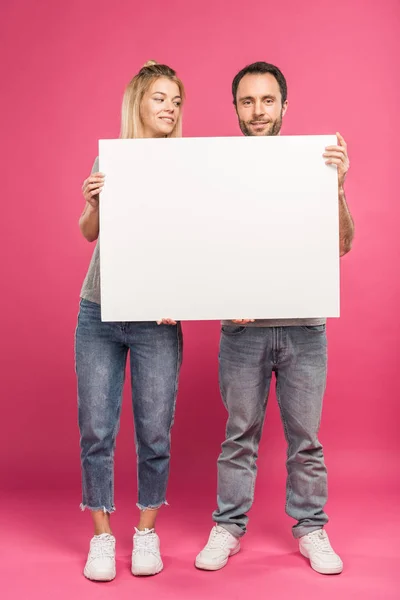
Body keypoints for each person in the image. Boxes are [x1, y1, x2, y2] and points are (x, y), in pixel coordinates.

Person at [195, 61, 354, 575]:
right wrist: (222, 293)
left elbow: (342, 245)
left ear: (285, 106)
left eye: (267, 100)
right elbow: (205, 246)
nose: (257, 111)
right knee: (239, 432)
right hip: (242, 330)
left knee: (305, 438)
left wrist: (337, 186)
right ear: (236, 108)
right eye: (247, 101)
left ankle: (311, 528)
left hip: (305, 326)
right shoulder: (219, 169)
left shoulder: (316, 164)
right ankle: (228, 526)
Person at [76, 61, 185, 581]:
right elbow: (88, 232)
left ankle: (146, 530)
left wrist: (181, 293)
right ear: (138, 102)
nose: (169, 108)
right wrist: (93, 200)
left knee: (154, 432)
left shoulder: (190, 165)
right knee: (96, 428)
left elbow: (197, 243)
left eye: (176, 101)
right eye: (160, 98)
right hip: (100, 308)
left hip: (155, 319)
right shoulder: (111, 158)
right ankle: (101, 535)